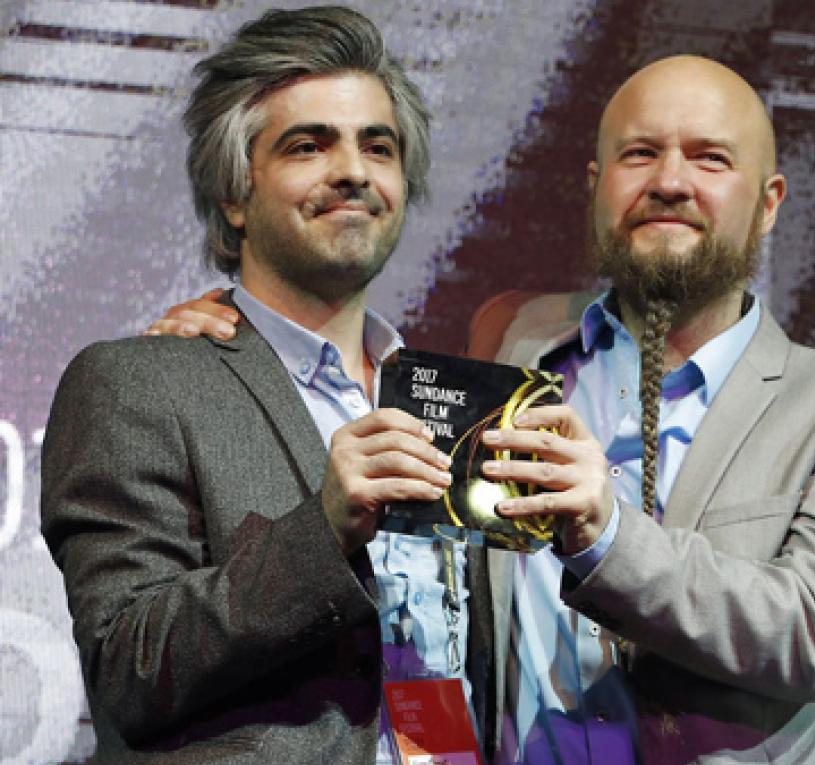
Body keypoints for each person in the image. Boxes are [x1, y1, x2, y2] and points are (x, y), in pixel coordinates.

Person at [148, 56, 815, 764]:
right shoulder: (515, 340)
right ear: (595, 186)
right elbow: (350, 366)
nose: (669, 181)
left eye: (710, 158)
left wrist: (607, 534)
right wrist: (242, 330)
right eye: (639, 153)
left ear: (768, 203)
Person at [41, 8, 496, 764]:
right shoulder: (136, 382)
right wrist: (324, 530)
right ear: (234, 194)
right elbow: (126, 667)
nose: (353, 171)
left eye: (377, 146)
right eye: (308, 145)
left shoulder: (446, 400)